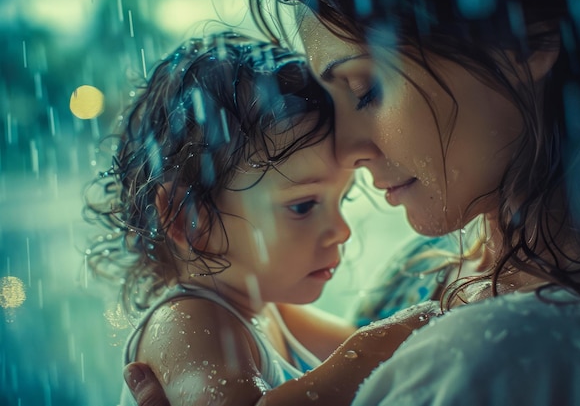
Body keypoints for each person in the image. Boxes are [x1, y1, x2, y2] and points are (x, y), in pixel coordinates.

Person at [124, 0, 580, 404]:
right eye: (301, 205)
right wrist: (379, 341)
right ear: (188, 220)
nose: (344, 148)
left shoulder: (507, 354)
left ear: (519, 35)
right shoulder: (420, 271)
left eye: (365, 89)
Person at [86, 31, 436, 406]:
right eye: (303, 206)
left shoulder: (268, 311)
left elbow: (384, 351)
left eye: (342, 199)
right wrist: (370, 348)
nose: (341, 230)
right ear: (189, 219)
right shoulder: (185, 322)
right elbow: (366, 355)